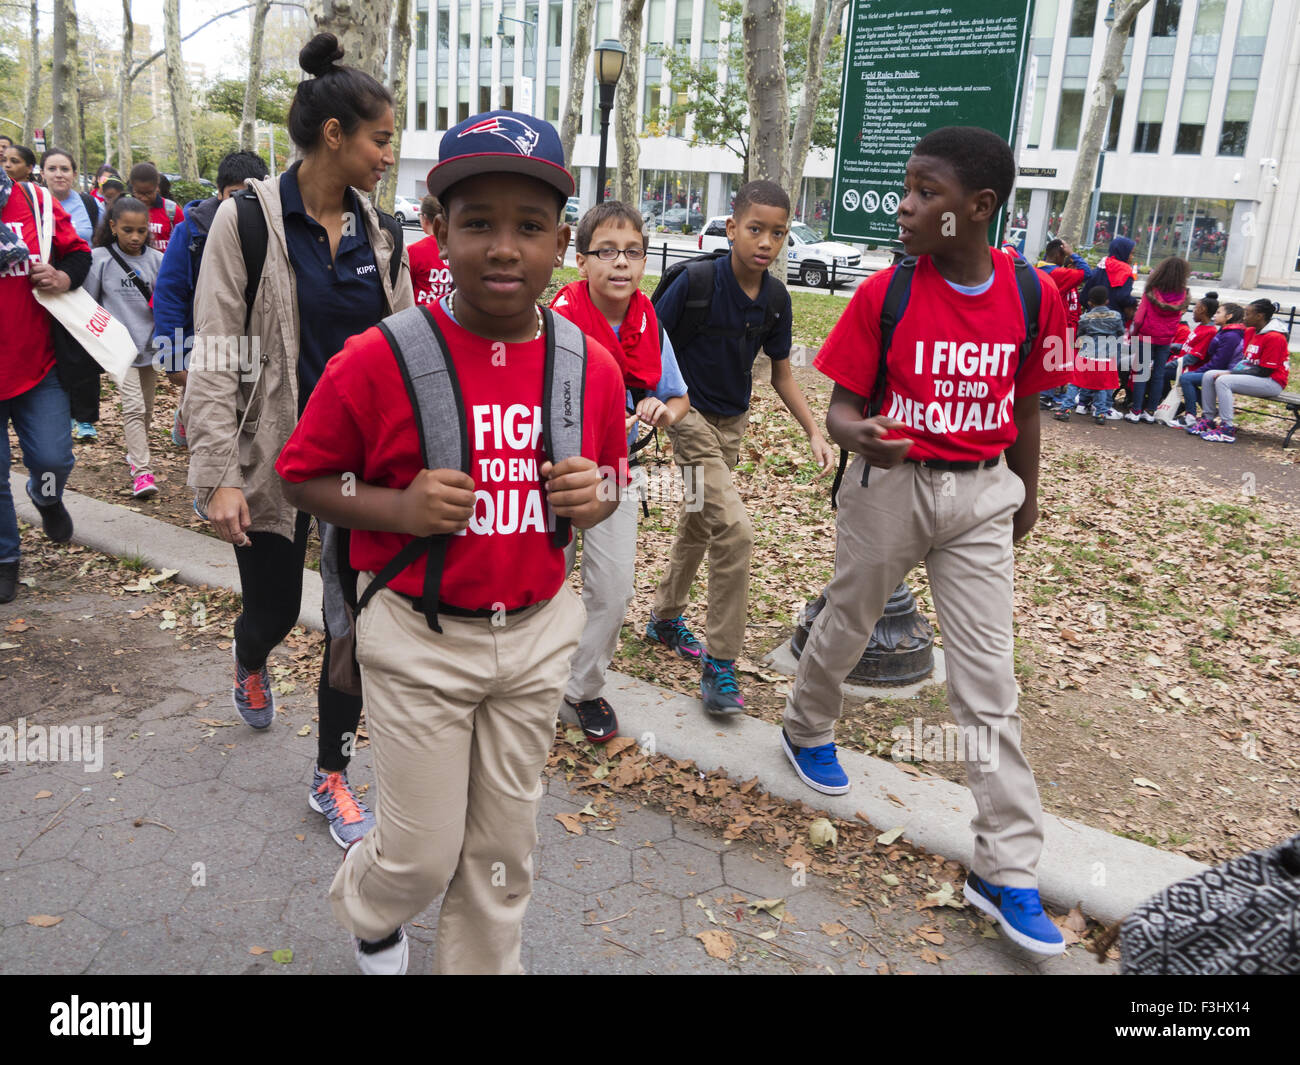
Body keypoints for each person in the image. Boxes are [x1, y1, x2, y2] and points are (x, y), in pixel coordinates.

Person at [276, 108, 627, 975]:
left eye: (530, 227)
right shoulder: (378, 357)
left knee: (503, 852)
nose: (504, 248)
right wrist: (397, 508)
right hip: (420, 636)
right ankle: (371, 907)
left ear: (560, 245)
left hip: (538, 634)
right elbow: (300, 477)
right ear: (437, 230)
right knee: (420, 853)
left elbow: (611, 479)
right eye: (478, 224)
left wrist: (599, 493)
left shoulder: (589, 365)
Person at [781, 126, 1069, 956]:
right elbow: (839, 405)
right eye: (906, 188)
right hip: (890, 486)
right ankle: (806, 724)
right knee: (847, 619)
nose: (903, 205)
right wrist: (855, 434)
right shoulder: (887, 293)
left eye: (925, 192)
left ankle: (1006, 868)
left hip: (981, 493)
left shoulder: (1032, 294)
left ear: (978, 207)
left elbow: (1028, 406)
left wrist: (1026, 494)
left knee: (989, 681)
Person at [184, 33, 412, 850]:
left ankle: (331, 772)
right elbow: (213, 355)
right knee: (277, 609)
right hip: (272, 465)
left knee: (348, 628)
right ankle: (250, 656)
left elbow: (405, 353)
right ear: (334, 136)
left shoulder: (383, 236)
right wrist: (217, 474)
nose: (391, 154)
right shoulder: (244, 224)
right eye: (382, 138)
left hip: (358, 472)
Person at [647, 179, 834, 713]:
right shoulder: (697, 281)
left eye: (778, 233)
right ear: (732, 229)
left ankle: (663, 618)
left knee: (699, 523)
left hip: (732, 424)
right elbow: (647, 345)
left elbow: (781, 374)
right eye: (756, 229)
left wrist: (814, 432)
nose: (766, 242)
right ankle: (721, 662)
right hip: (687, 417)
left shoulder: (776, 297)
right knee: (736, 531)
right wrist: (646, 402)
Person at [551, 200, 691, 742]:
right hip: (552, 471)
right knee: (544, 583)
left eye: (633, 252)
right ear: (581, 260)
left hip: (617, 472)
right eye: (605, 251)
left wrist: (661, 410)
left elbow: (678, 398)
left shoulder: (648, 321)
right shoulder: (557, 322)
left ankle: (582, 688)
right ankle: (529, 676)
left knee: (611, 590)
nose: (620, 264)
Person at [0, 164, 91, 604]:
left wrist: (62, 276)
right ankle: (5, 559)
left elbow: (78, 254)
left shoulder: (34, 201)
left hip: (39, 367)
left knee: (53, 460)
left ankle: (46, 498)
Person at [152, 150, 270, 447]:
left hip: (251, 342)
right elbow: (170, 294)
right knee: (212, 424)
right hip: (203, 341)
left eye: (250, 194)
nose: (242, 203)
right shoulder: (192, 231)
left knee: (243, 418)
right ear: (219, 193)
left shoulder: (272, 229)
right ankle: (206, 489)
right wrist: (174, 358)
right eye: (234, 194)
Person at [84, 197, 164, 499]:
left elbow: (166, 303)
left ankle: (134, 456)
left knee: (146, 409)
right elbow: (90, 305)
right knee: (133, 406)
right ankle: (142, 473)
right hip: (119, 350)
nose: (134, 237)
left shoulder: (157, 260)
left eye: (141, 231)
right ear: (113, 226)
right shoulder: (100, 259)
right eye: (128, 229)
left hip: (150, 347)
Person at [1197, 298, 1290, 444]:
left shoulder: (1275, 337)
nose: (1244, 317)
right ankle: (1208, 420)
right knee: (1209, 375)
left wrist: (1231, 373)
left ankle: (1226, 428)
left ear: (1259, 316)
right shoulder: (1251, 331)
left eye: (1247, 314)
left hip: (1272, 382)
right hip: (1256, 375)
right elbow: (1248, 360)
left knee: (1223, 381)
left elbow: (1265, 371)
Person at [1125, 256, 1188, 421]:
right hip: (1166, 338)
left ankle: (1136, 411)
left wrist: (1133, 333)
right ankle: (1151, 411)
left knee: (1141, 373)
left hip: (1146, 335)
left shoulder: (1151, 290)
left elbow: (1138, 318)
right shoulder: (1182, 294)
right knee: (1159, 375)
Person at [1054, 286, 1123, 424]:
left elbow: (1081, 334)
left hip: (1087, 355)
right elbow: (1120, 332)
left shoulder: (1085, 318)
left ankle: (1065, 410)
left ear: (1090, 303)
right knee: (1101, 386)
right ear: (1107, 301)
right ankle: (1101, 414)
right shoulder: (1116, 316)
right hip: (1106, 357)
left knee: (1075, 383)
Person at [1182, 302, 1246, 431]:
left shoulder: (1231, 335)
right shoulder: (1225, 331)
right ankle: (1206, 413)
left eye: (1218, 313)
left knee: (1186, 378)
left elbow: (1219, 362)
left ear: (1228, 316)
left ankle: (1191, 416)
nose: (1214, 316)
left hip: (1224, 372)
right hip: (1214, 369)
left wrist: (1198, 371)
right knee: (1186, 377)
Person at [40, 149, 98, 244]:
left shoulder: (90, 204)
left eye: (65, 169)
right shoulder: (32, 205)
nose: (59, 175)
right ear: (43, 174)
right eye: (52, 169)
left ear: (74, 174)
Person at [406, 194, 453, 306]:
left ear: (425, 217)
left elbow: (405, 290)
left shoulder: (414, 251)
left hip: (420, 314)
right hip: (448, 312)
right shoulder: (457, 248)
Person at [127, 162, 184, 252]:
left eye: (149, 193)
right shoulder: (125, 209)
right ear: (133, 188)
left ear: (157, 187)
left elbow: (183, 241)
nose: (144, 198)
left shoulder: (171, 209)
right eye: (139, 193)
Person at [1037, 237, 1089, 333]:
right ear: (1058, 255)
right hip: (1058, 326)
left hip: (1039, 323)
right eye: (1064, 256)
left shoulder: (1035, 270)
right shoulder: (1061, 274)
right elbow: (1087, 272)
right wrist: (1071, 253)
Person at [1088, 236, 1137, 312]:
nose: (1132, 257)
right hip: (1115, 320)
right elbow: (1123, 297)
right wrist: (1134, 301)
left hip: (1092, 318)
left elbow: (1084, 296)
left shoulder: (1099, 268)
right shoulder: (1125, 272)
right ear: (1123, 252)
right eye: (1131, 253)